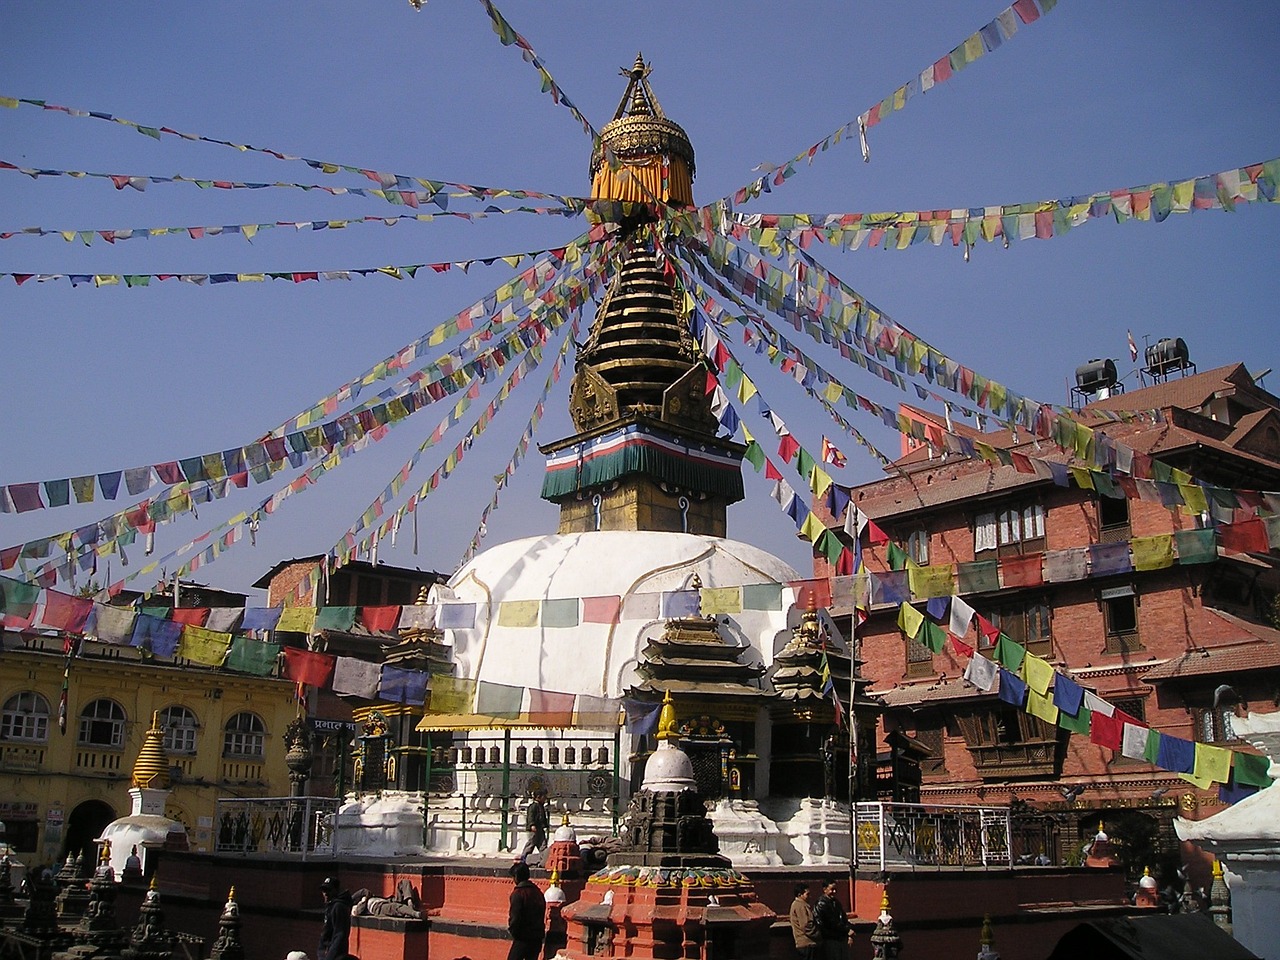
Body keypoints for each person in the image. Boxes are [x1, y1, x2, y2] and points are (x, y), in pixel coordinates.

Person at [507, 861, 545, 960]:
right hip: (537, 936)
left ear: (516, 877)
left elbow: (515, 917)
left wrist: (514, 931)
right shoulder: (537, 892)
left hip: (523, 937)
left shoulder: (518, 893)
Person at [813, 880, 852, 960]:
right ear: (825, 889)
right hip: (830, 939)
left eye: (835, 889)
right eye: (832, 889)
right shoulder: (821, 904)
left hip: (839, 938)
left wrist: (847, 931)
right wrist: (846, 930)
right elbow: (830, 922)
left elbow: (843, 918)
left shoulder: (836, 903)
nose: (834, 892)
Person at [318, 876, 353, 960]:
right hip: (327, 954)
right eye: (323, 890)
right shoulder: (331, 906)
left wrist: (330, 957)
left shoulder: (338, 907)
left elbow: (340, 934)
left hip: (335, 956)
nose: (325, 893)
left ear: (336, 890)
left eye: (328, 890)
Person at [519, 788, 550, 863]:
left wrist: (545, 825)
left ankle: (543, 859)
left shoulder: (541, 806)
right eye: (544, 796)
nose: (545, 798)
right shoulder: (533, 806)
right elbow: (531, 817)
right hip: (534, 829)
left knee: (543, 845)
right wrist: (532, 825)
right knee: (531, 844)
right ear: (538, 796)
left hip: (540, 829)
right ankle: (523, 858)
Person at [789, 882, 818, 960]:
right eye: (807, 894)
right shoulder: (800, 906)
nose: (810, 897)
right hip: (807, 944)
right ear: (799, 895)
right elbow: (806, 925)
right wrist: (818, 934)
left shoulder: (800, 905)